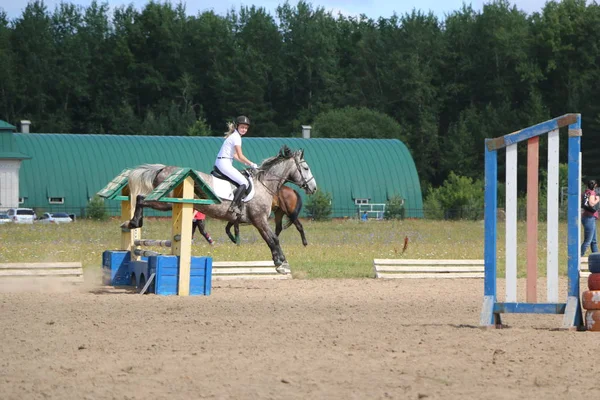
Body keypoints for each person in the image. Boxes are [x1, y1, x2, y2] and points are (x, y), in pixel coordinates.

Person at [214, 115, 258, 215]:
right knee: (244, 183)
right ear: (237, 126)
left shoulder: (234, 136)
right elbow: (240, 155)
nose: (244, 129)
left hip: (223, 162)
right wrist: (252, 164)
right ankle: (233, 206)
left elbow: (235, 156)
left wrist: (246, 163)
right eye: (242, 127)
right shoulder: (236, 137)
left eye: (246, 128)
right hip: (224, 163)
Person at [581, 179, 599, 256]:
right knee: (588, 240)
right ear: (595, 186)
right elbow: (591, 204)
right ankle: (579, 256)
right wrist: (597, 200)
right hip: (589, 218)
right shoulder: (592, 193)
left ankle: (597, 257)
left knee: (593, 240)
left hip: (587, 217)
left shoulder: (585, 192)